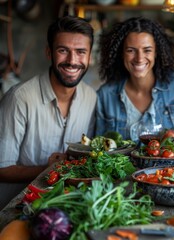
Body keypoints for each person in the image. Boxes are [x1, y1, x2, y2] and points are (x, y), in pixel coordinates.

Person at [0, 16, 97, 209]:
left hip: (68, 207)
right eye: (63, 51)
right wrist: (48, 169)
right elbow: (1, 169)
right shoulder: (19, 98)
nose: (72, 61)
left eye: (80, 52)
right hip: (16, 210)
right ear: (48, 53)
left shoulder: (91, 98)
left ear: (89, 57)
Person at [96, 17, 174, 141]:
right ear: (121, 53)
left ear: (156, 52)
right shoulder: (105, 96)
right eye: (131, 50)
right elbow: (98, 148)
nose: (139, 58)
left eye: (147, 50)